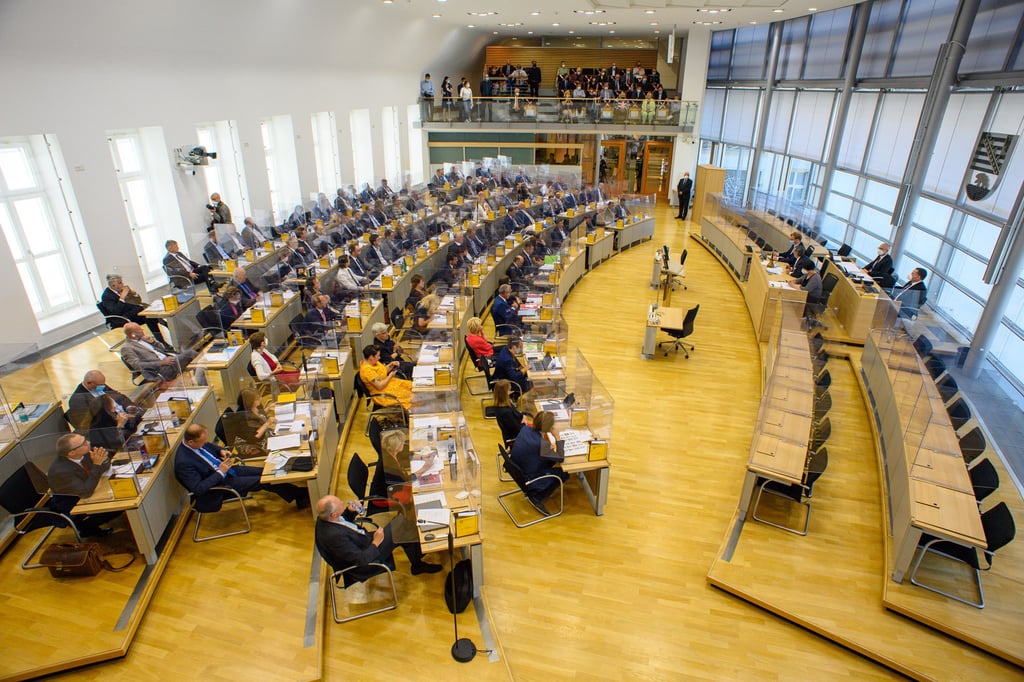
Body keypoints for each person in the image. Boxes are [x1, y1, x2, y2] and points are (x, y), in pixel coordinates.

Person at [175, 424, 307, 509]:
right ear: (191, 442)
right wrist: (220, 472)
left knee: (266, 472)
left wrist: (220, 451)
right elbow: (198, 489)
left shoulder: (197, 443)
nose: (205, 444)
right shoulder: (184, 463)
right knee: (263, 481)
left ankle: (299, 495)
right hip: (221, 484)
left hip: (230, 470)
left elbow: (209, 446)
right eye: (202, 442)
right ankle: (300, 495)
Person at [315, 494, 441, 581]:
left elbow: (343, 522)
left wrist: (350, 511)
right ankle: (420, 557)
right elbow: (360, 560)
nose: (343, 503)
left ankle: (417, 562)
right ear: (333, 514)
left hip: (365, 542)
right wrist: (376, 542)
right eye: (341, 504)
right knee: (401, 524)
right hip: (367, 559)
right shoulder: (334, 538)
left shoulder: (325, 518)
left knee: (401, 526)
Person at [47, 433, 122, 536]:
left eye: (85, 440)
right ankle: (86, 528)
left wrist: (103, 460)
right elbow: (85, 493)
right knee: (118, 505)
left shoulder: (84, 453)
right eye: (84, 443)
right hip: (74, 505)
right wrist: (97, 464)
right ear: (71, 453)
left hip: (90, 490)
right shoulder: (60, 471)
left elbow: (102, 468)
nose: (88, 443)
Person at [509, 411, 569, 516]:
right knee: (564, 473)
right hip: (528, 478)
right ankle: (537, 497)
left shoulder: (525, 429)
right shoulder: (541, 445)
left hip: (519, 468)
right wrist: (557, 437)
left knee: (550, 461)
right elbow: (560, 458)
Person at [67, 370, 142, 451]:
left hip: (127, 415)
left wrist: (131, 408)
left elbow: (120, 397)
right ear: (89, 383)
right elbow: (94, 425)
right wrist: (119, 420)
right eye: (100, 385)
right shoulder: (78, 400)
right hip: (115, 428)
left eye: (103, 384)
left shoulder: (100, 385)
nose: (103, 386)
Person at [120, 322, 198, 382]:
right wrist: (161, 363)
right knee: (190, 353)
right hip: (160, 370)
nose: (142, 330)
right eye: (139, 330)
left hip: (169, 361)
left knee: (190, 354)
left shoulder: (142, 339)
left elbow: (162, 349)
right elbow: (137, 365)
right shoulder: (127, 348)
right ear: (133, 335)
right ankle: (203, 373)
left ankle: (200, 373)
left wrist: (153, 342)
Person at [100, 273, 163, 338]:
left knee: (148, 313)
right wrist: (122, 298)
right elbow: (115, 311)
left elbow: (138, 301)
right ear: (113, 286)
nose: (123, 284)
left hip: (132, 312)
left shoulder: (119, 290)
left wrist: (133, 293)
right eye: (120, 282)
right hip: (122, 317)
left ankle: (160, 336)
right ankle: (160, 335)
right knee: (146, 314)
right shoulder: (106, 296)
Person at [359, 345, 413, 410]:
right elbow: (380, 386)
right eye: (378, 356)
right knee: (411, 397)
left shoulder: (373, 362)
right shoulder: (367, 370)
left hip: (389, 385)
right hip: (382, 393)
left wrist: (391, 365)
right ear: (371, 357)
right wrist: (390, 376)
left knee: (412, 386)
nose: (379, 357)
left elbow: (382, 372)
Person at [493, 379, 529, 446]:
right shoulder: (506, 413)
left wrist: (522, 416)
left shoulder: (503, 403)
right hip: (518, 437)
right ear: (506, 392)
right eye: (509, 389)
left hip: (519, 427)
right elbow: (517, 429)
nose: (511, 390)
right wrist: (525, 421)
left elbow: (516, 413)